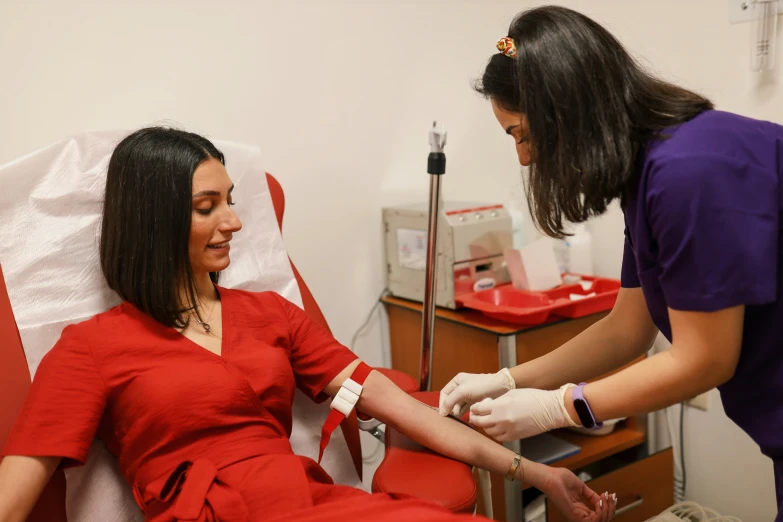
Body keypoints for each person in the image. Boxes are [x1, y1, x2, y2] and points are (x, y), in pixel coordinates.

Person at [0, 127, 616, 522]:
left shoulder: (268, 315)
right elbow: (20, 487)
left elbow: (401, 409)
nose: (234, 222)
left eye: (232, 200)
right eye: (206, 207)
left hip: (312, 503)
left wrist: (538, 473)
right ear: (152, 221)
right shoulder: (90, 348)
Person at [439, 4, 783, 518]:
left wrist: (560, 408)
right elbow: (627, 328)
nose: (525, 159)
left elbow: (705, 359)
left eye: (520, 133)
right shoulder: (648, 172)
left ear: (564, 112)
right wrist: (511, 380)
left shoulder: (686, 172)